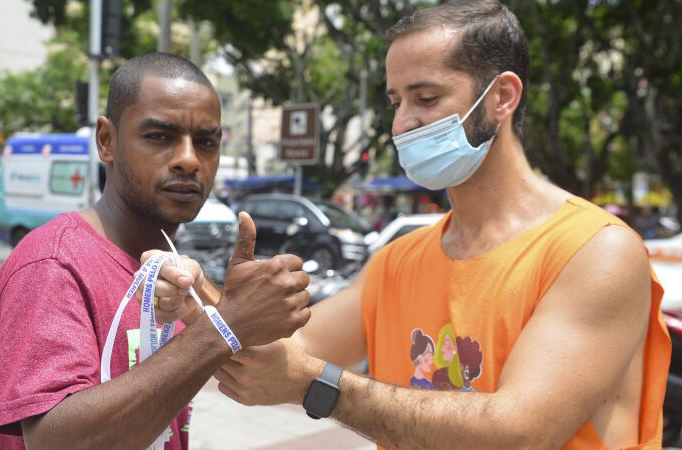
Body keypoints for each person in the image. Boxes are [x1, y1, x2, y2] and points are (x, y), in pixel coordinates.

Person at [212, 2, 669, 449]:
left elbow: (518, 432)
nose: (403, 123)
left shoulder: (595, 252)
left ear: (502, 97)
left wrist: (320, 387)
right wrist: (203, 299)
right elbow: (290, 348)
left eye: (426, 98)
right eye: (396, 101)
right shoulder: (397, 260)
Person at [0, 53, 311, 449]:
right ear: (107, 141)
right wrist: (225, 322)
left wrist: (223, 307)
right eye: (160, 136)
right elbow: (55, 442)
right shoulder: (54, 264)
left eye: (206, 142)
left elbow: (269, 367)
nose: (189, 160)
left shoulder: (171, 268)